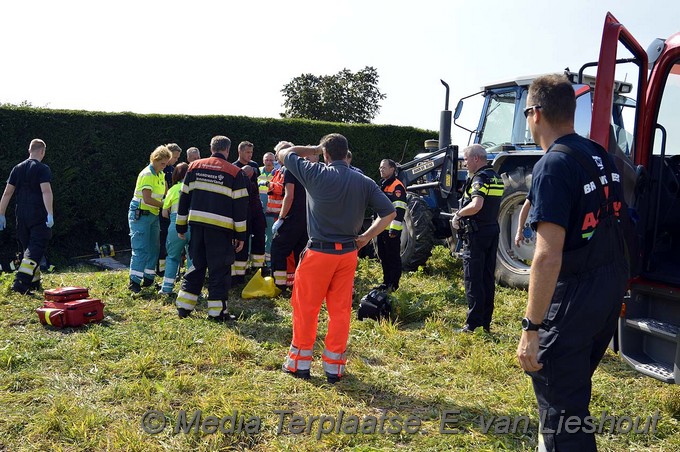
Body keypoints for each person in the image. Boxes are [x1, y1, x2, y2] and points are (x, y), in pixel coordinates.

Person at [516, 74, 628, 451]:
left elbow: (547, 256)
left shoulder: (552, 165)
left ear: (535, 114)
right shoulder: (601, 156)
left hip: (573, 299)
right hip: (606, 293)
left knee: (563, 414)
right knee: (571, 396)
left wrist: (531, 328)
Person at [279, 133, 396, 383]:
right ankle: (334, 368)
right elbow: (389, 212)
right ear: (347, 153)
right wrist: (366, 236)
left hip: (319, 253)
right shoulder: (364, 181)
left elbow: (284, 153)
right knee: (340, 311)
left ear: (325, 153)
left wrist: (311, 146)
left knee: (306, 308)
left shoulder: (315, 173)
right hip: (347, 254)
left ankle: (299, 364)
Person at [175, 135, 249, 321]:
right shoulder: (234, 172)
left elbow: (184, 198)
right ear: (228, 150)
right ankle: (217, 312)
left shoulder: (194, 166)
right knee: (219, 270)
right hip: (221, 230)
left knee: (196, 265)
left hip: (197, 226)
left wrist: (180, 225)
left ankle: (184, 307)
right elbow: (240, 208)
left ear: (211, 148)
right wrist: (241, 235)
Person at [453, 144, 504, 333]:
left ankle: (472, 324)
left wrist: (458, 215)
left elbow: (476, 204)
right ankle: (485, 322)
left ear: (476, 159)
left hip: (476, 234)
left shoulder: (480, 178)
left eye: (466, 159)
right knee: (487, 278)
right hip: (492, 230)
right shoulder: (496, 177)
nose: (464, 164)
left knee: (473, 278)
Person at [0, 139, 54, 294]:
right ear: (42, 151)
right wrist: (50, 213)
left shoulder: (17, 168)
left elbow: (7, 193)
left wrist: (1, 214)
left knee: (27, 249)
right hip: (37, 213)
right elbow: (46, 191)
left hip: (21, 214)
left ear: (29, 150)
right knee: (36, 247)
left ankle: (34, 283)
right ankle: (21, 282)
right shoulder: (43, 169)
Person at [128, 145, 172, 293]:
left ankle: (148, 278)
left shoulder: (160, 174)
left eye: (166, 164)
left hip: (152, 214)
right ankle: (134, 281)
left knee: (154, 247)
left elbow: (165, 193)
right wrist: (165, 205)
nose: (164, 167)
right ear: (155, 159)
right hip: (141, 213)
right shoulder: (147, 174)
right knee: (141, 247)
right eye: (163, 164)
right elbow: (147, 199)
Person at [270, 143, 308, 292]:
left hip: (292, 217)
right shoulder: (304, 167)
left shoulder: (288, 169)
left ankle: (279, 285)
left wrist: (281, 218)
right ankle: (297, 284)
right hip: (305, 217)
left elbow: (289, 195)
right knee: (300, 252)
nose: (276, 158)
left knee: (278, 249)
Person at [232, 141, 266, 282]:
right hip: (242, 208)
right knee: (242, 238)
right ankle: (239, 274)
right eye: (247, 152)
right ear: (240, 151)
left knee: (259, 234)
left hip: (256, 206)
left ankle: (257, 269)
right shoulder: (233, 168)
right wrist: (242, 174)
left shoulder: (254, 166)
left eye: (251, 152)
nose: (250, 155)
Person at [375, 159, 406, 292]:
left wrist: (394, 229)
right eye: (380, 167)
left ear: (392, 169)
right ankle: (386, 282)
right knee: (383, 256)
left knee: (392, 257)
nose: (381, 169)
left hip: (391, 230)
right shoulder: (384, 184)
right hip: (382, 228)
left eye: (384, 167)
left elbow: (399, 209)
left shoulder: (397, 186)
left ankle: (393, 284)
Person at [160, 163, 189, 296]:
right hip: (194, 225)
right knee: (193, 258)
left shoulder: (173, 190)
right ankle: (191, 290)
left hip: (175, 225)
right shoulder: (195, 189)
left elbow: (164, 213)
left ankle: (166, 288)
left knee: (172, 257)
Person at [158, 143, 182, 277]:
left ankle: (167, 269)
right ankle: (161, 269)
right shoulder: (160, 170)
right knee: (162, 239)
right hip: (163, 209)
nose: (176, 160)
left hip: (168, 208)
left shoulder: (172, 170)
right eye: (175, 157)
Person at [258, 151, 277, 265]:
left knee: (270, 236)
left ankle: (269, 262)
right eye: (267, 160)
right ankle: (258, 262)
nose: (269, 162)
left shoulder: (277, 173)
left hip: (271, 210)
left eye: (271, 160)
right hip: (259, 210)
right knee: (257, 235)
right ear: (263, 160)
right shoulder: (258, 171)